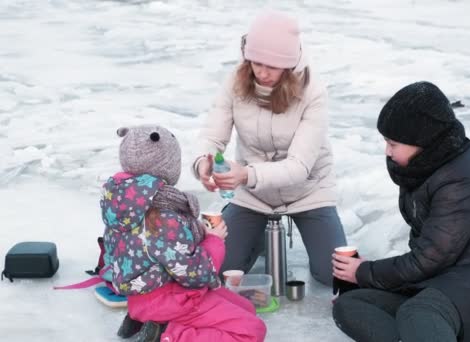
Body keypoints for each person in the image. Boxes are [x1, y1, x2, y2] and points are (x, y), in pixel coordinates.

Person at [331, 82, 470, 342]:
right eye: (386, 141)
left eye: (393, 143)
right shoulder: (420, 168)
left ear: (423, 141)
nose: (387, 151)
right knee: (352, 304)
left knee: (419, 312)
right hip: (449, 279)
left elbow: (429, 258)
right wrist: (365, 281)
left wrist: (363, 272)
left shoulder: (460, 179)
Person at [193, 11, 347, 286]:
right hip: (254, 195)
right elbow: (212, 136)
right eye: (256, 63)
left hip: (308, 191)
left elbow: (299, 167)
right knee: (220, 268)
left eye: (272, 66)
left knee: (332, 275)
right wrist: (202, 163)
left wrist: (246, 175)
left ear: (289, 65)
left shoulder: (314, 92)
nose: (262, 73)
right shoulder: (235, 81)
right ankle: (259, 235)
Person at [101, 125, 266, 342]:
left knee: (246, 308)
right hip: (172, 299)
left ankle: (147, 322)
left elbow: (150, 250)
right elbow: (195, 274)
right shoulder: (163, 216)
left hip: (144, 298)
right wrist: (214, 241)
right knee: (251, 331)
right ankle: (169, 334)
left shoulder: (123, 203)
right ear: (166, 166)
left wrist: (197, 233)